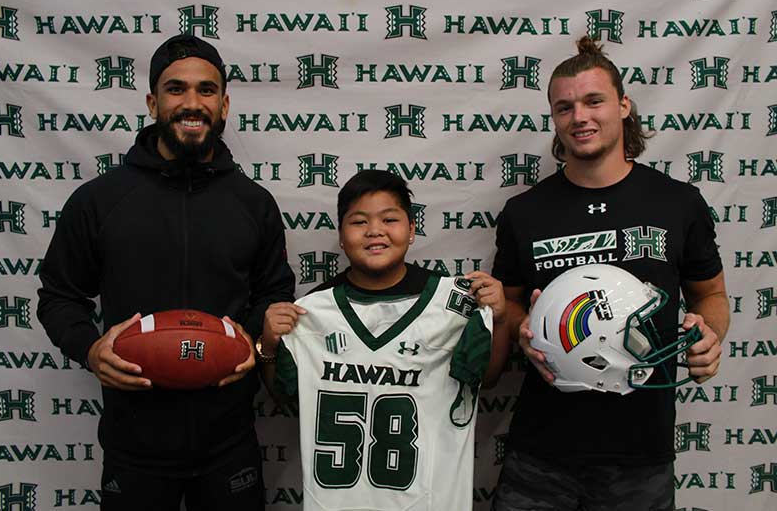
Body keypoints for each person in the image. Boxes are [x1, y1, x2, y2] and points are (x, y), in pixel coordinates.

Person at [37, 34, 295, 511]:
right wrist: (89, 349)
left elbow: (275, 295)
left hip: (229, 441)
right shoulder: (100, 200)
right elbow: (58, 296)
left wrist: (254, 339)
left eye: (207, 90)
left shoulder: (254, 205)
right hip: (134, 445)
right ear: (154, 101)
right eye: (176, 89)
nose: (191, 103)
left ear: (224, 104)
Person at [490, 36, 729, 511]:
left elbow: (712, 295)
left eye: (593, 101)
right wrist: (519, 327)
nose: (579, 117)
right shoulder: (524, 212)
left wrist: (709, 335)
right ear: (554, 120)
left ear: (623, 105)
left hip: (641, 453)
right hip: (541, 450)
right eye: (564, 107)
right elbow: (511, 301)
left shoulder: (678, 202)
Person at [254, 170, 511, 510]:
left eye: (390, 219)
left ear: (412, 229)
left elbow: (487, 378)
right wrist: (269, 345)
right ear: (341, 236)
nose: (375, 231)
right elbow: (286, 396)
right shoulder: (310, 312)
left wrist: (500, 319)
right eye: (359, 222)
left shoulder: (454, 304)